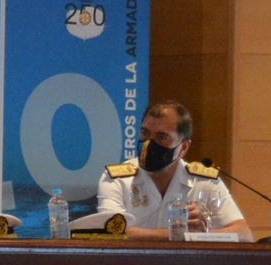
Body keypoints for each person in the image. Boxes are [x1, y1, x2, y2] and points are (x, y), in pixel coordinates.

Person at [96, 100, 250, 240]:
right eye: (145, 133)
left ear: (183, 147)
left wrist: (204, 233)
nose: (149, 144)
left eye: (161, 137)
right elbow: (111, 232)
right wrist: (179, 234)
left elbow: (244, 234)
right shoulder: (116, 179)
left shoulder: (205, 181)